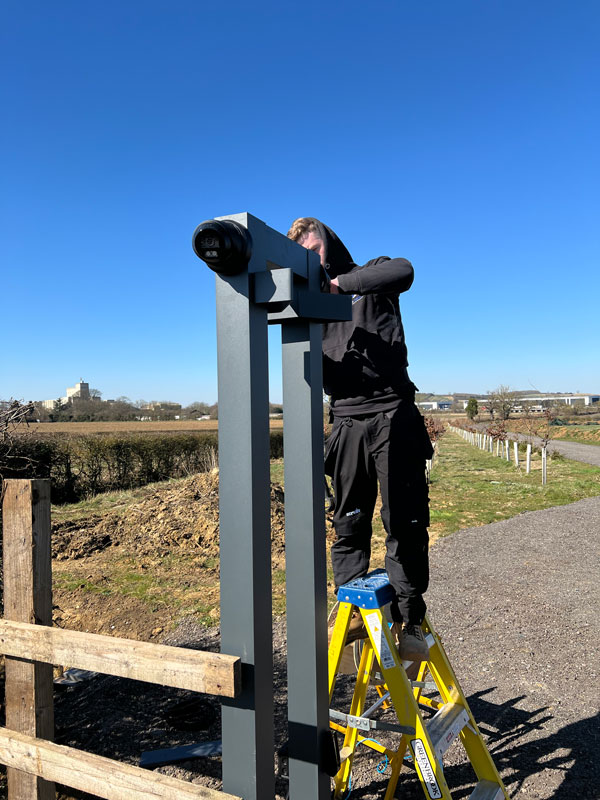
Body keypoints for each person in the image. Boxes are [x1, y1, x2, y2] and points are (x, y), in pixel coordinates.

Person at [287, 217, 433, 661]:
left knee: (404, 520)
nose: (312, 258)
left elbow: (404, 270)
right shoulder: (310, 304)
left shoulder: (370, 275)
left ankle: (409, 619)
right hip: (346, 422)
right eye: (302, 254)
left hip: (392, 413)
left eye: (315, 248)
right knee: (348, 521)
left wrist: (339, 285)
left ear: (329, 244)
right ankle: (352, 613)